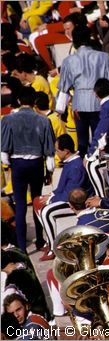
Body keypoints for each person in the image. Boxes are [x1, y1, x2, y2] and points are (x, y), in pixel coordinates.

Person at [1, 87, 55, 253]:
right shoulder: (44, 121)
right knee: (37, 201)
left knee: (21, 205)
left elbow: (3, 152)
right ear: (35, 102)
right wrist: (49, 173)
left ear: (18, 101)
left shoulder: (8, 120)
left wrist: (9, 166)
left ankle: (22, 246)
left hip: (17, 164)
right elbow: (50, 152)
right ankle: (39, 240)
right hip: (37, 164)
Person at [56, 24, 109, 157]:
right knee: (100, 139)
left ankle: (85, 170)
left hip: (79, 104)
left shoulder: (68, 61)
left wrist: (60, 110)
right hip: (99, 101)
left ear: (74, 41)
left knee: (82, 142)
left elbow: (63, 89)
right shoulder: (104, 57)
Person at [34, 134, 92, 261]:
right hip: (68, 197)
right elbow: (62, 187)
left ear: (66, 151)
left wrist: (51, 200)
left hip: (77, 202)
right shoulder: (70, 162)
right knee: (38, 202)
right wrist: (52, 195)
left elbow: (70, 195)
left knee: (46, 211)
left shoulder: (76, 167)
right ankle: (50, 241)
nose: (56, 153)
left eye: (57, 150)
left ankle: (53, 248)